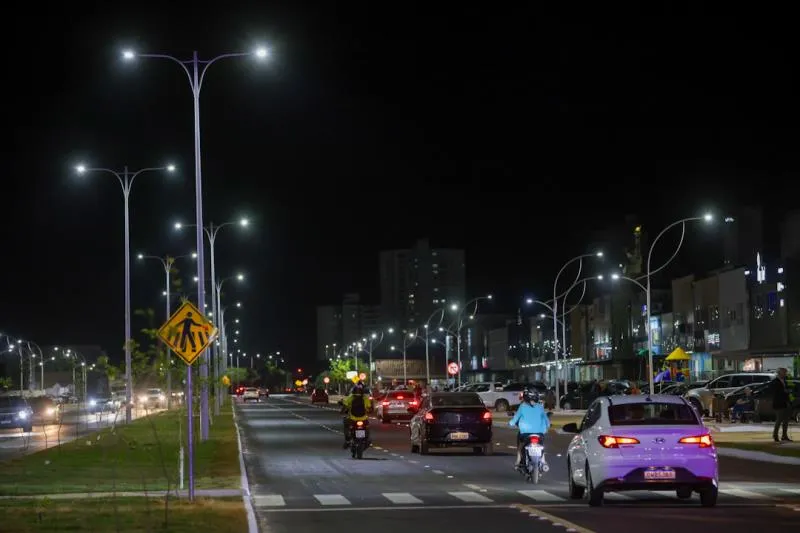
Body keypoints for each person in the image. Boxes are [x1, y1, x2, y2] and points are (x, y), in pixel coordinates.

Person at [508, 388, 551, 470]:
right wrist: (548, 425)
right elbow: (546, 420)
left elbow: (515, 419)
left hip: (525, 433)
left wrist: (510, 423)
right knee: (542, 446)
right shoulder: (540, 407)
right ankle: (543, 461)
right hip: (539, 433)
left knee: (520, 445)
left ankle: (518, 460)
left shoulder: (522, 406)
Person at [342, 381, 372, 448]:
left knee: (346, 424)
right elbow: (369, 408)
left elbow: (345, 406)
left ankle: (347, 440)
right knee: (367, 427)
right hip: (363, 418)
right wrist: (369, 411)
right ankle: (367, 439)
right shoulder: (365, 398)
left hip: (353, 419)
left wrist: (342, 412)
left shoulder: (351, 397)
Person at [772, 368, 793, 443]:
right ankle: (775, 435)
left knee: (786, 421)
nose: (785, 374)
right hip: (779, 403)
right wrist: (785, 391)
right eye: (784, 372)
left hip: (786, 403)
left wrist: (789, 397)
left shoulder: (785, 381)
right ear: (779, 373)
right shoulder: (775, 381)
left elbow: (787, 390)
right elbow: (777, 393)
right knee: (779, 420)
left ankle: (784, 436)